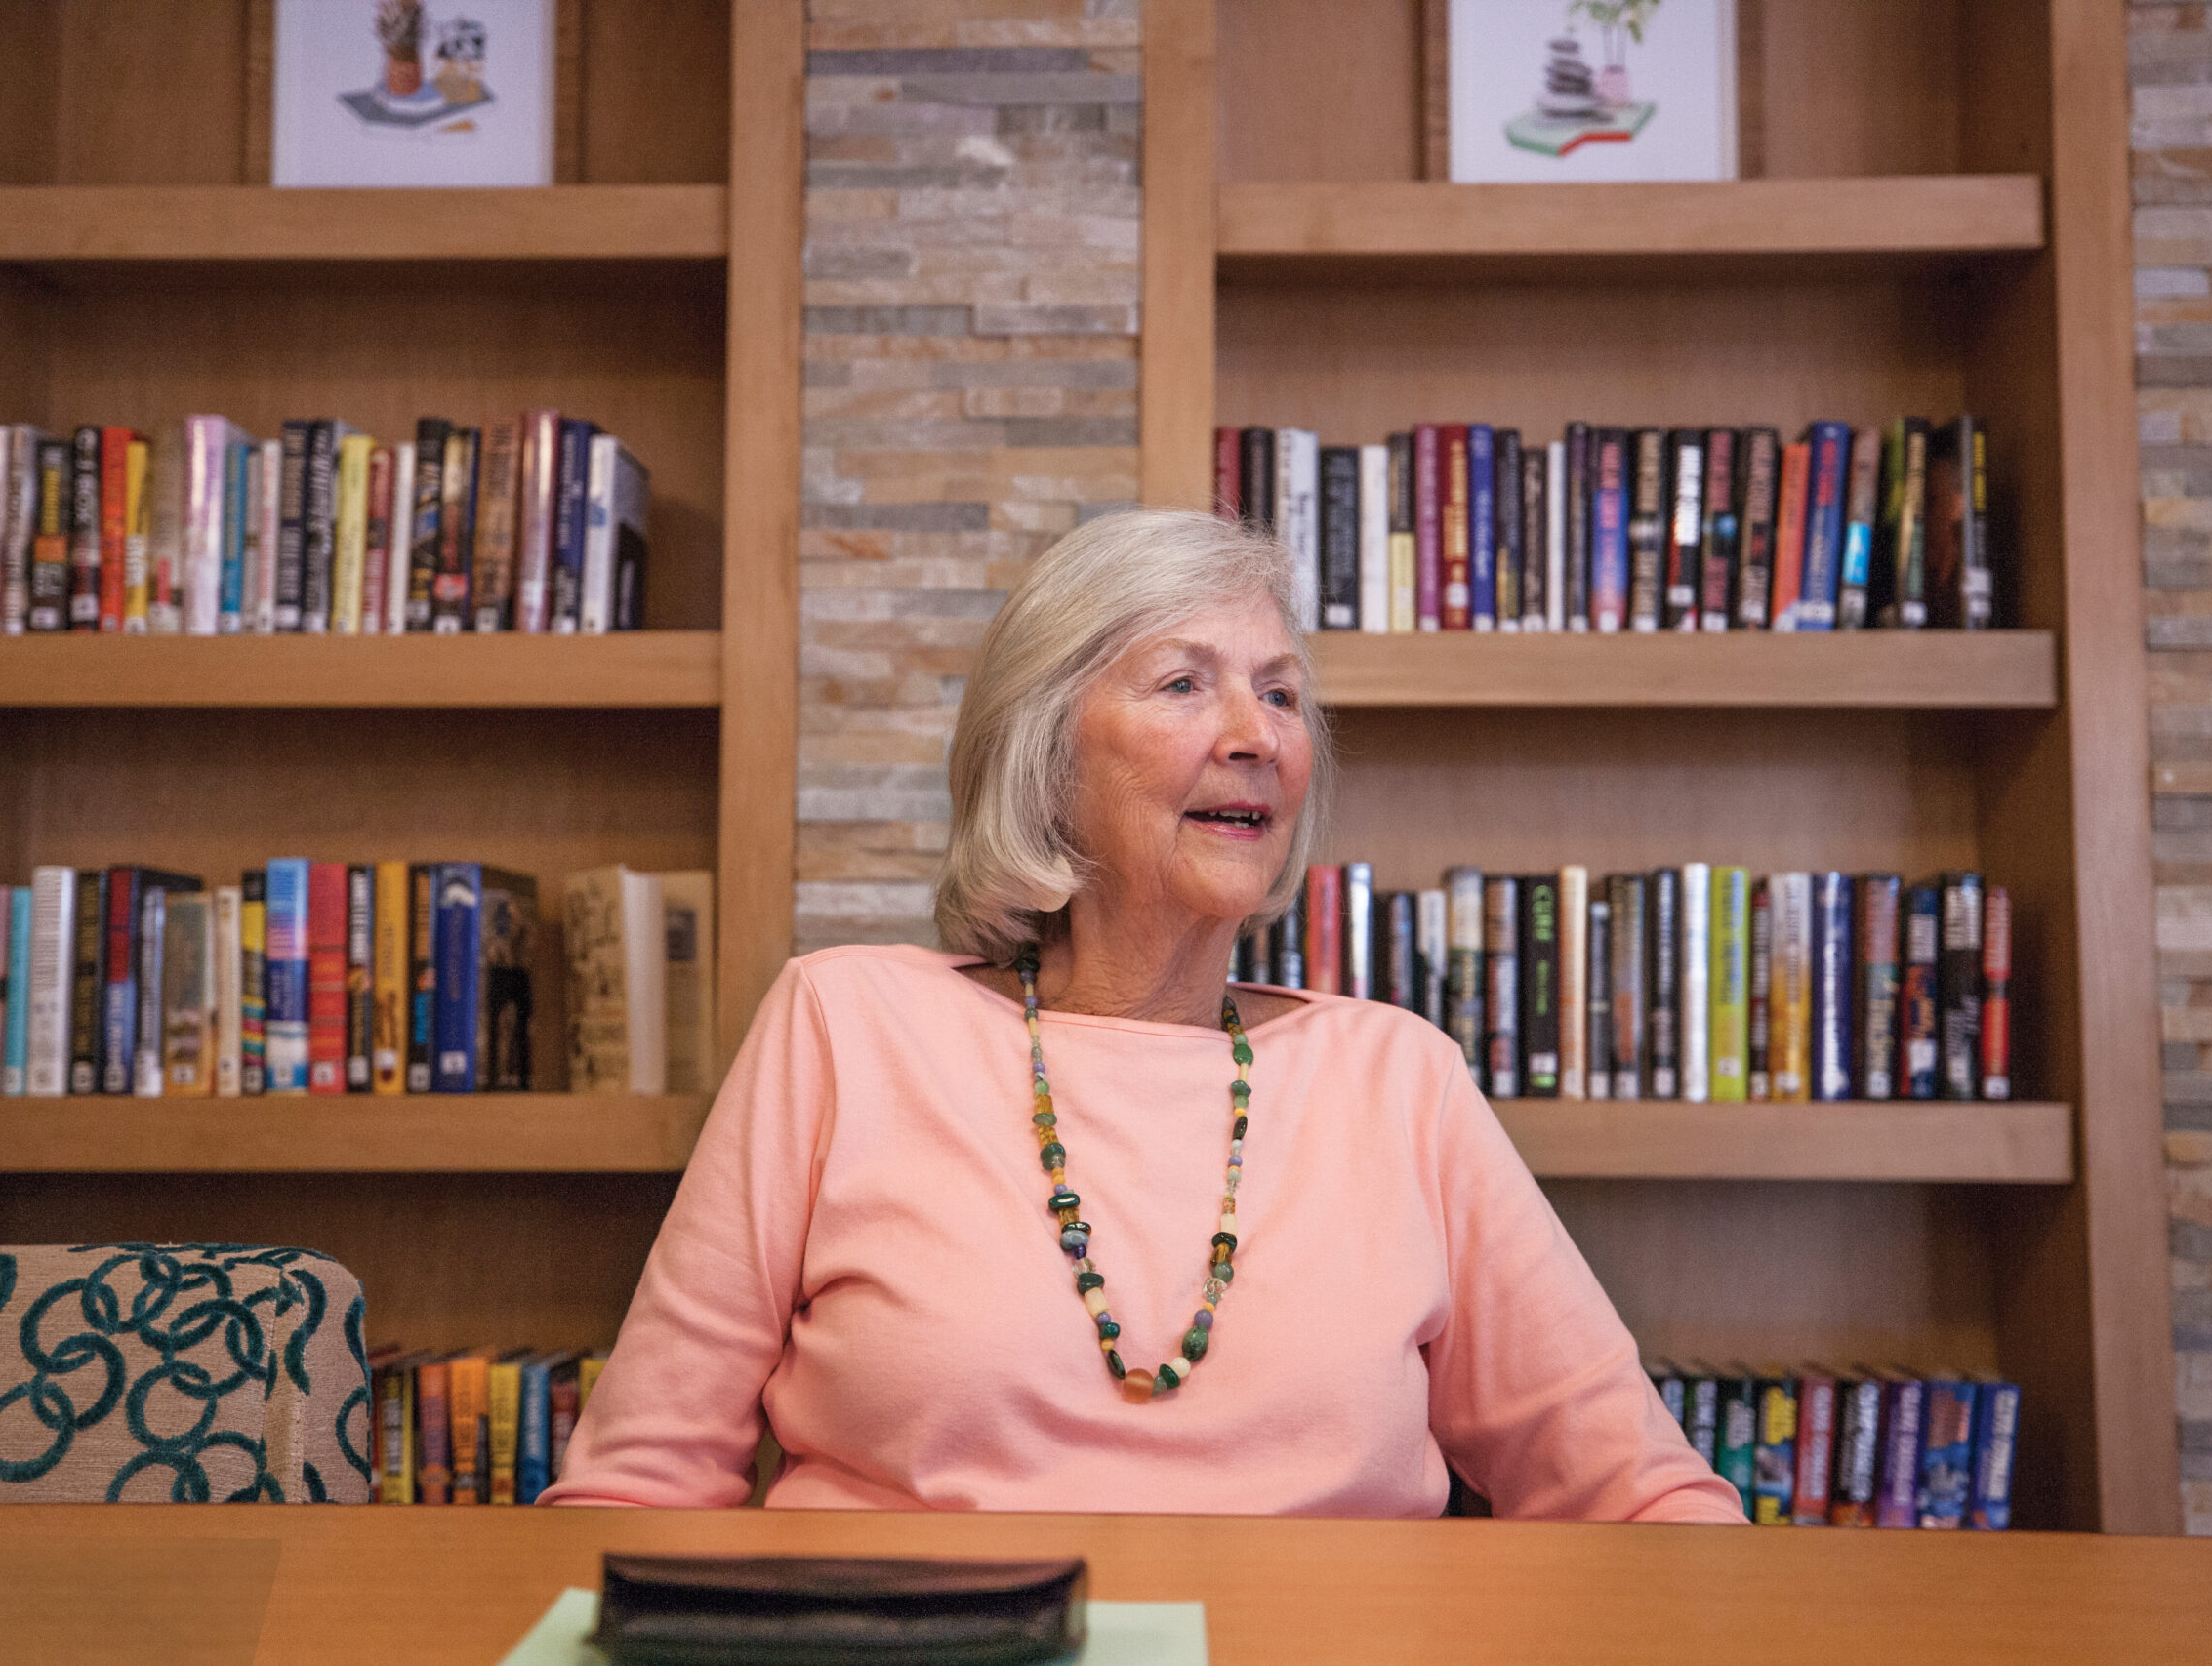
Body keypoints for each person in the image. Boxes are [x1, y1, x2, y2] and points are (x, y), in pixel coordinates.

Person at [542, 508, 1742, 1522]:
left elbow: (1641, 1497)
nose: (1257, 736)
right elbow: (638, 1486)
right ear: (1044, 755)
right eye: (1185, 684)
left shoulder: (1398, 1078)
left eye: (1280, 695)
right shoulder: (844, 1026)